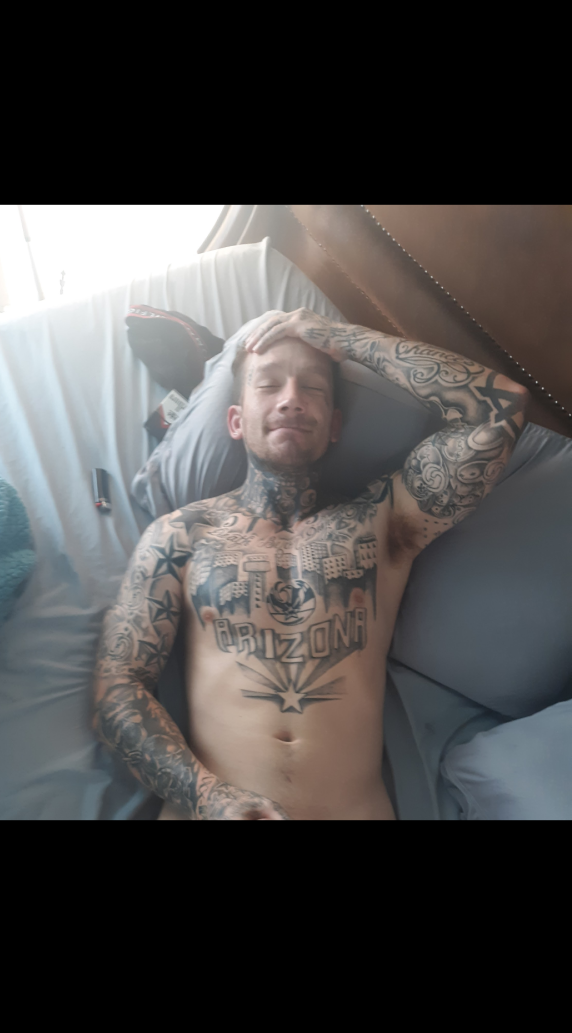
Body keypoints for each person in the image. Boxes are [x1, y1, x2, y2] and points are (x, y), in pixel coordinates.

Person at [92, 308, 530, 820]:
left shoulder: (384, 522)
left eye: (313, 388)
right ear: (236, 421)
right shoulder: (180, 537)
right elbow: (117, 685)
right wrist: (207, 796)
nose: (291, 399)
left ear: (335, 424)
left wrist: (344, 339)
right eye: (268, 384)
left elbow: (500, 408)